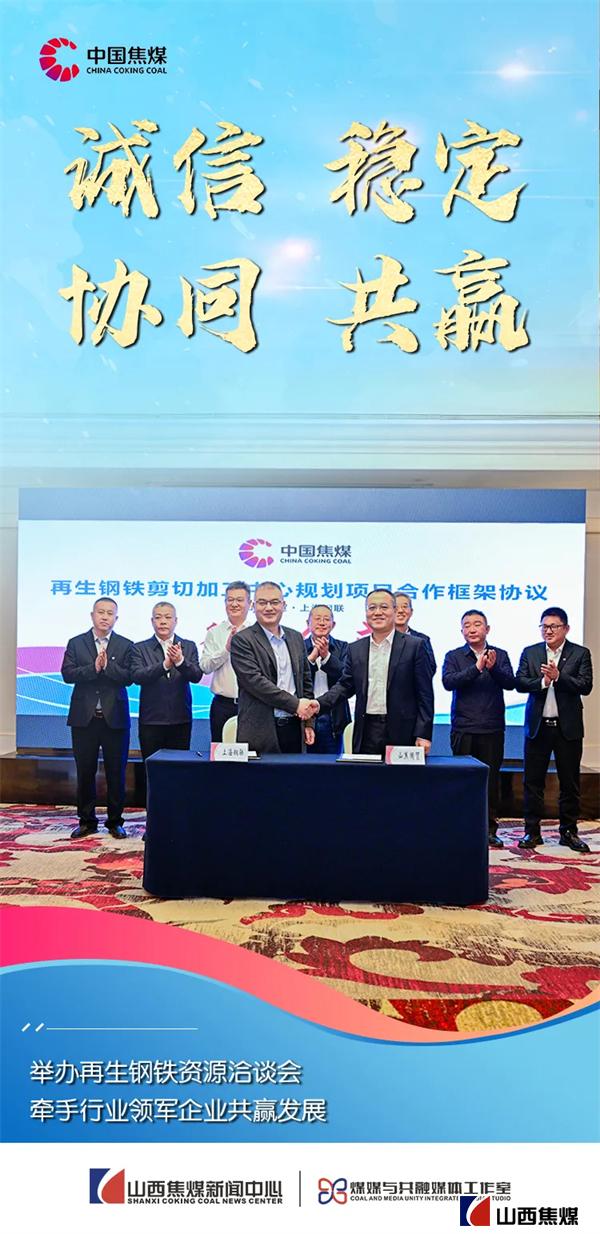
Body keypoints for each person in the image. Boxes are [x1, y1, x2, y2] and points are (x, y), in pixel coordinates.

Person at [314, 589, 434, 756]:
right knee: (366, 773)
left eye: (384, 607)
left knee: (401, 774)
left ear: (394, 610)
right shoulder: (356, 648)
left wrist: (423, 733)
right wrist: (318, 704)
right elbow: (345, 686)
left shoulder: (415, 646)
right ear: (366, 613)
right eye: (372, 608)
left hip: (403, 731)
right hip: (366, 730)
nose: (377, 612)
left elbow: (425, 694)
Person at [515, 607, 593, 852]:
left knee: (569, 783)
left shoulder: (580, 653)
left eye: (553, 626)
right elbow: (520, 682)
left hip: (567, 729)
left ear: (566, 628)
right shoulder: (531, 652)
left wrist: (559, 677)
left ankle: (568, 832)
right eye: (544, 626)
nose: (548, 631)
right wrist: (542, 682)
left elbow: (586, 685)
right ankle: (532, 831)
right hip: (538, 728)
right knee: (532, 782)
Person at [442, 609, 515, 848]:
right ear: (461, 630)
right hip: (463, 728)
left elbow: (510, 683)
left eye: (477, 624)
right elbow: (448, 682)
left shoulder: (500, 655)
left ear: (487, 629)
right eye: (467, 625)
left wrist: (492, 668)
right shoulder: (454, 656)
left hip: (492, 728)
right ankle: (462, 826)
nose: (472, 629)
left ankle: (489, 829)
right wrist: (476, 667)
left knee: (490, 781)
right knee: (463, 779)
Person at [61, 597, 133, 839]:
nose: (105, 617)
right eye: (100, 612)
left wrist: (107, 667)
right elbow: (67, 674)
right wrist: (93, 668)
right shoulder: (76, 642)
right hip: (85, 719)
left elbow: (129, 677)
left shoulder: (125, 645)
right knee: (85, 771)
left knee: (116, 772)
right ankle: (87, 821)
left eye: (110, 613)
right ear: (92, 615)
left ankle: (115, 822)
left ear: (116, 618)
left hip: (115, 719)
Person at [230, 581, 315, 754]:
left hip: (295, 727)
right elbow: (256, 683)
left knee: (296, 772)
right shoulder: (242, 640)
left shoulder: (296, 637)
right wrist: (295, 704)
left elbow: (305, 681)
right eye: (262, 602)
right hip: (260, 731)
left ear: (284, 605)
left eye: (275, 602)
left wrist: (308, 722)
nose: (269, 608)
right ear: (253, 606)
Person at [130, 602, 202, 761]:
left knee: (179, 767)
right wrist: (164, 666)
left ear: (176, 621)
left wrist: (180, 662)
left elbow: (196, 676)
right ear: (152, 621)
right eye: (158, 617)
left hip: (180, 719)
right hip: (151, 720)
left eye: (168, 617)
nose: (163, 621)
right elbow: (137, 676)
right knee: (151, 767)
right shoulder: (139, 648)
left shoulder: (188, 646)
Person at [199, 581, 252, 741]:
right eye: (230, 600)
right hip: (222, 705)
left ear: (250, 603)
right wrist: (226, 649)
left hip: (252, 705)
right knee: (220, 751)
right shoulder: (215, 633)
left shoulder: (257, 632)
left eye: (239, 600)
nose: (234, 604)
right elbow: (205, 667)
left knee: (252, 751)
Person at [304, 604, 351, 754]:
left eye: (326, 619)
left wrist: (326, 657)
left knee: (333, 762)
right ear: (308, 623)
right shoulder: (298, 646)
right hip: (305, 712)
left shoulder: (344, 647)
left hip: (333, 714)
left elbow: (347, 677)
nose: (322, 623)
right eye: (317, 619)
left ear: (333, 624)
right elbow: (297, 677)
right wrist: (312, 658)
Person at [394, 591, 437, 676]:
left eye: (405, 606)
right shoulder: (382, 638)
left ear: (411, 612)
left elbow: (431, 668)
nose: (400, 611)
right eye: (395, 607)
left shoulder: (423, 639)